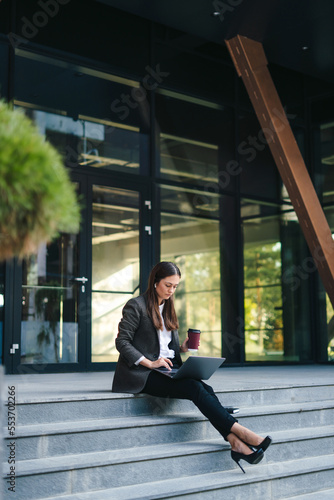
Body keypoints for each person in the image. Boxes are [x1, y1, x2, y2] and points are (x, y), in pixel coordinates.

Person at [112, 261, 272, 473]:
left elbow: (160, 345)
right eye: (168, 285)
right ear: (155, 282)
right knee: (196, 388)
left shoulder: (167, 307)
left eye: (175, 286)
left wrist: (181, 347)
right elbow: (122, 342)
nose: (172, 290)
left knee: (205, 388)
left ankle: (238, 444)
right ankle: (241, 432)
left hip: (166, 368)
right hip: (142, 372)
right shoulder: (136, 305)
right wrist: (150, 363)